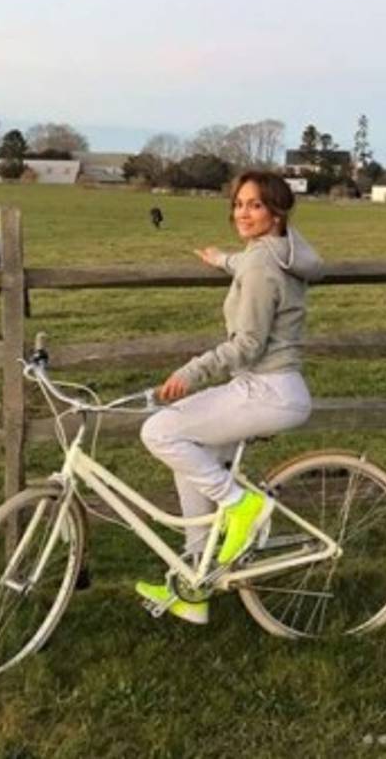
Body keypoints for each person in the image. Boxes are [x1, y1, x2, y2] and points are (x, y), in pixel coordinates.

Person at [136, 170, 324, 624]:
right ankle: (194, 581)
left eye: (254, 205)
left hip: (265, 389)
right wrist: (223, 260)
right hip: (275, 387)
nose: (242, 212)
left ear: (276, 212)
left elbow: (246, 346)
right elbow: (251, 265)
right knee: (192, 453)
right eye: (238, 204)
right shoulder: (276, 255)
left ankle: (243, 504)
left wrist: (189, 371)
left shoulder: (260, 265)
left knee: (159, 430)